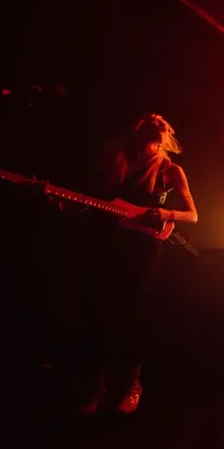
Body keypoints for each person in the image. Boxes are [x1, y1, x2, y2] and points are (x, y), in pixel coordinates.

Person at [76, 113, 198, 416]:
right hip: (108, 242)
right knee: (99, 311)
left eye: (160, 125)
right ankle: (96, 387)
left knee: (133, 313)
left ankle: (132, 384)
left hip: (143, 248)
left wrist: (167, 214)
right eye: (150, 122)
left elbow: (192, 215)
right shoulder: (117, 161)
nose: (157, 121)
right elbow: (96, 199)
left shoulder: (169, 170)